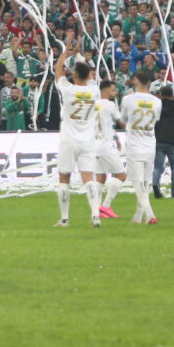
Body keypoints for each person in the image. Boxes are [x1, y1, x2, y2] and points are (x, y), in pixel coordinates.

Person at [51, 34, 102, 228]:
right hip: (87, 140)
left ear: (73, 76)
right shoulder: (94, 90)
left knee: (64, 178)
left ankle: (64, 219)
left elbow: (58, 70)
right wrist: (79, 54)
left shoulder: (68, 90)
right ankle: (95, 215)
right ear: (89, 76)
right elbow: (87, 74)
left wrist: (66, 51)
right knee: (88, 177)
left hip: (69, 140)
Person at [119, 69, 161, 224]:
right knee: (145, 182)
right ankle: (138, 216)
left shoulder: (127, 99)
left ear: (135, 81)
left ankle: (150, 214)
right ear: (149, 82)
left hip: (134, 144)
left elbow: (123, 119)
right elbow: (156, 119)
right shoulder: (157, 101)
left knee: (137, 182)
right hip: (150, 143)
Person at [94, 79, 128, 219]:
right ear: (106, 90)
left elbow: (107, 125)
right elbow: (122, 123)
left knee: (101, 177)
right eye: (113, 90)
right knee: (121, 175)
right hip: (106, 145)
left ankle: (96, 210)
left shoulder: (93, 104)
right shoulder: (110, 104)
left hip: (95, 144)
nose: (115, 93)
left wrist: (116, 138)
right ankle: (106, 206)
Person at [152, 80, 174, 201]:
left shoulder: (156, 108)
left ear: (160, 95)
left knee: (158, 167)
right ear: (172, 95)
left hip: (159, 140)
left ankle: (155, 183)